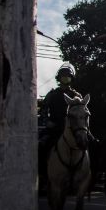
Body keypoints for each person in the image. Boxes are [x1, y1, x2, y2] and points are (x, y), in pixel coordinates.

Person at [39, 62, 81, 190]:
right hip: (54, 128)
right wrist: (48, 122)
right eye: (63, 75)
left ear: (71, 78)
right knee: (41, 146)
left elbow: (81, 114)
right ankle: (42, 176)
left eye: (68, 76)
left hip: (70, 130)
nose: (65, 78)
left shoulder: (76, 96)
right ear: (59, 78)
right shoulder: (52, 94)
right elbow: (43, 111)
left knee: (87, 144)